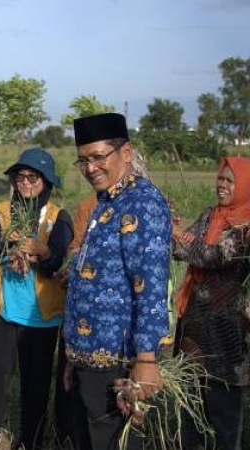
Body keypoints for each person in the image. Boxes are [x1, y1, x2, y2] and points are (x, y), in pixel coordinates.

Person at [64, 112, 171, 450]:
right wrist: (74, 355)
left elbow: (151, 287)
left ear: (125, 152)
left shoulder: (142, 203)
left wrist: (147, 361)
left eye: (98, 157)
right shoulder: (106, 201)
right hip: (90, 357)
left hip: (117, 360)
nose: (90, 168)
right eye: (83, 160)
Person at [0, 148, 72, 450]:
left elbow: (56, 263)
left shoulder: (57, 218)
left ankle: (31, 441)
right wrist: (8, 242)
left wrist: (42, 252)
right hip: (1, 313)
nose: (25, 182)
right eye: (20, 176)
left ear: (46, 182)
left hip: (39, 318)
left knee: (36, 386)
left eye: (33, 177)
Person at [173, 156, 250, 450]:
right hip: (194, 326)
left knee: (223, 415)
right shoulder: (210, 215)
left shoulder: (246, 227)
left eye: (230, 181)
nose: (222, 185)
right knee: (191, 407)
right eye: (220, 178)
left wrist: (181, 236)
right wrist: (175, 232)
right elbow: (182, 250)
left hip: (227, 333)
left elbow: (213, 256)